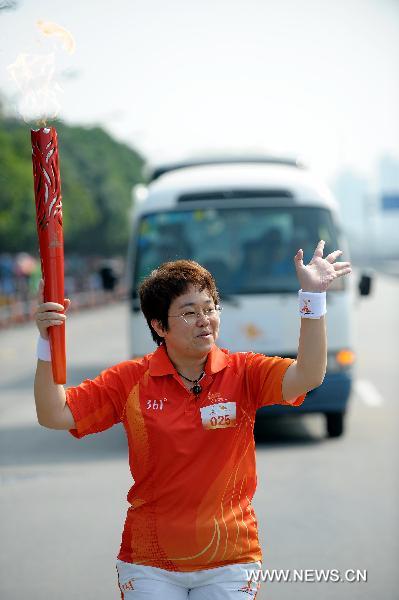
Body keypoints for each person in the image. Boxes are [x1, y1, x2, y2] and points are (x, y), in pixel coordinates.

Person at [34, 240, 351, 599]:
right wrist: (47, 343)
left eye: (210, 307)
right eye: (188, 312)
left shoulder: (243, 371)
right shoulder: (130, 381)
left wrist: (312, 300)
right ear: (159, 326)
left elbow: (308, 375)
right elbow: (54, 413)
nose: (205, 320)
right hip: (150, 560)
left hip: (229, 557)